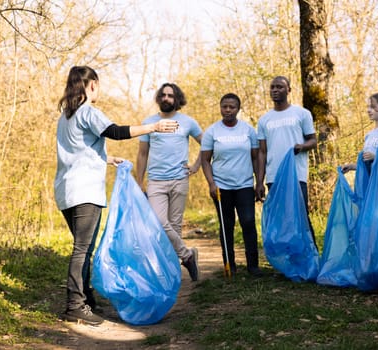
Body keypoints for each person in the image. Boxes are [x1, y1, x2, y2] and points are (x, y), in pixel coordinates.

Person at [54, 66, 179, 326]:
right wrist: (153, 127)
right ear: (91, 85)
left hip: (65, 190)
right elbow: (116, 132)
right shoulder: (88, 111)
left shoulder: (65, 116)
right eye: (97, 86)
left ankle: (85, 298)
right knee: (82, 249)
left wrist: (106, 158)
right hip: (85, 191)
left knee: (83, 248)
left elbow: (77, 151)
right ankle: (75, 305)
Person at [136, 82, 202, 282]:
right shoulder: (149, 122)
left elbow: (206, 143)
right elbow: (142, 154)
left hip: (180, 179)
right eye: (163, 95)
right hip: (156, 181)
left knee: (175, 226)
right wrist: (139, 181)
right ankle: (187, 255)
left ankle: (172, 275)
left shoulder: (188, 122)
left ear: (177, 99)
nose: (166, 98)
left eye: (170, 96)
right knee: (159, 222)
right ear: (159, 98)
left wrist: (197, 165)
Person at [201, 93, 262, 277]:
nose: (228, 110)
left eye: (232, 107)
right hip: (221, 186)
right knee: (226, 224)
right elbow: (205, 160)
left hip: (244, 184)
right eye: (224, 106)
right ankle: (230, 264)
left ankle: (253, 266)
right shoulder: (212, 132)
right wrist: (211, 184)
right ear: (220, 108)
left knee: (248, 222)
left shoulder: (248, 130)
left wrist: (259, 182)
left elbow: (257, 157)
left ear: (238, 109)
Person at [256, 76, 318, 247]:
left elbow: (313, 140)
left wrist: (302, 146)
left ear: (289, 90)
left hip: (296, 175)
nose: (275, 90)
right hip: (274, 177)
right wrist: (259, 182)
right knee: (281, 221)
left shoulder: (302, 114)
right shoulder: (264, 120)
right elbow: (262, 152)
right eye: (272, 87)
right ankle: (287, 263)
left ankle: (311, 259)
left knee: (300, 217)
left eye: (280, 87)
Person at [342, 92, 378, 175]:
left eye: (373, 107)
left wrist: (375, 157)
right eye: (368, 107)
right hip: (370, 182)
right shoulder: (369, 135)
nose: (368, 110)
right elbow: (366, 166)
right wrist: (351, 166)